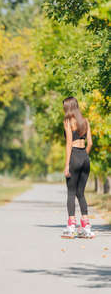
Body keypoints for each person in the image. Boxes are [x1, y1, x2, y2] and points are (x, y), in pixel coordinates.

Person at [62, 96, 94, 239]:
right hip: (85, 158)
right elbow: (90, 143)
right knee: (80, 193)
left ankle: (71, 227)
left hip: (74, 155)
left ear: (68, 107)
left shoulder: (68, 121)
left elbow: (69, 143)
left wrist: (67, 165)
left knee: (71, 192)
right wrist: (83, 157)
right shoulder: (85, 121)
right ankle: (86, 227)